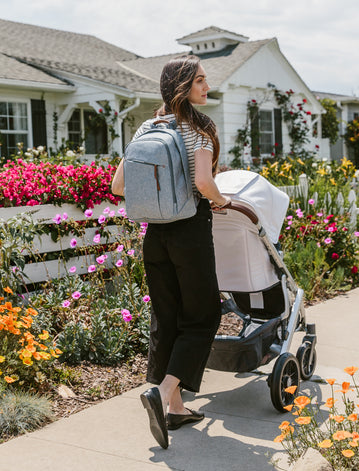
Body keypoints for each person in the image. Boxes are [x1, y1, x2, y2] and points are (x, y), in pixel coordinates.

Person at [111, 55, 230, 449]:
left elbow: (118, 187)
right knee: (203, 315)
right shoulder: (199, 127)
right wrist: (221, 200)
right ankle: (162, 396)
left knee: (167, 317)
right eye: (199, 81)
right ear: (182, 86)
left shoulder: (148, 126)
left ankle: (176, 408)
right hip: (189, 231)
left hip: (154, 235)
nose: (206, 87)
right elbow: (203, 181)